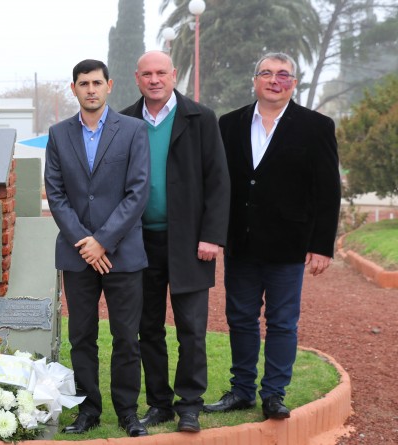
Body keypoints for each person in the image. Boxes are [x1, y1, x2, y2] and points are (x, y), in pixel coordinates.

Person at [204, 52, 341, 420]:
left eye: (283, 75)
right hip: (241, 242)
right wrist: (213, 233)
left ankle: (274, 395)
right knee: (240, 319)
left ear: (293, 83)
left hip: (289, 245)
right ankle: (242, 391)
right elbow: (217, 183)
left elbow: (328, 191)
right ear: (255, 80)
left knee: (282, 322)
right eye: (267, 73)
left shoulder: (316, 126)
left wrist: (321, 246)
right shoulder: (229, 124)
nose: (274, 80)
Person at [119, 51, 230, 433]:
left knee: (192, 329)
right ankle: (160, 404)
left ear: (174, 75)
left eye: (161, 73)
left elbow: (218, 181)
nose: (154, 80)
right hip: (139, 243)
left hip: (190, 243)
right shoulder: (124, 121)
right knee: (147, 328)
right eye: (147, 74)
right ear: (137, 78)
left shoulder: (201, 118)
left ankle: (190, 405)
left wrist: (212, 236)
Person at [45, 59, 150, 437]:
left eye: (96, 83)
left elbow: (138, 191)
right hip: (78, 255)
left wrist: (103, 241)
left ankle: (128, 412)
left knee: (126, 338)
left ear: (109, 86)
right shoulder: (58, 134)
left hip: (123, 253)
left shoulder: (133, 130)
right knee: (81, 337)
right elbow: (56, 194)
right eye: (83, 83)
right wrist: (86, 243)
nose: (90, 89)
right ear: (73, 88)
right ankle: (88, 410)